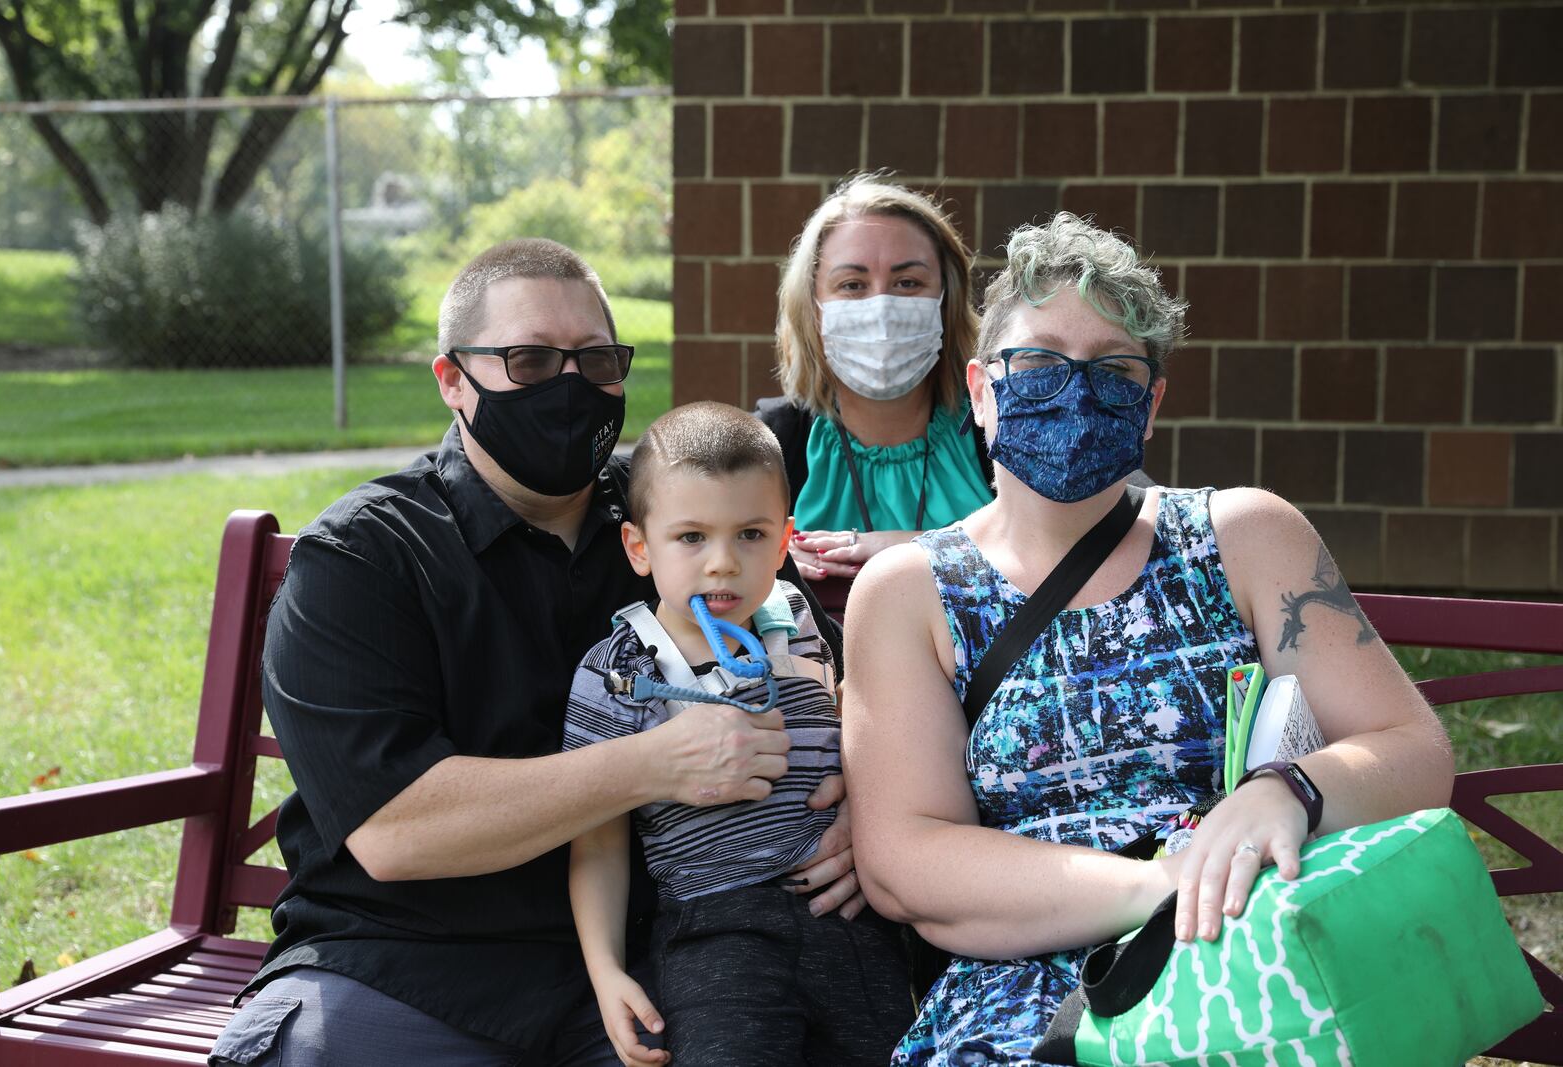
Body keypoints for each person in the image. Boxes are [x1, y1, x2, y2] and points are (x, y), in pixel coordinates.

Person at [209, 239, 860, 1066]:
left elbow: (835, 677)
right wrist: (653, 763)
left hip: (655, 966)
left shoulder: (683, 520)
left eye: (595, 360)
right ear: (453, 380)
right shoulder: (364, 558)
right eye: (529, 359)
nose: (570, 386)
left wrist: (860, 806)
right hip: (402, 964)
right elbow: (397, 828)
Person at [839, 213, 1455, 1063]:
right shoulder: (910, 591)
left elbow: (1415, 751)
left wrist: (1291, 791)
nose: (1076, 390)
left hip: (1255, 964)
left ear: (1152, 402)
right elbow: (907, 861)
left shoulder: (1244, 536)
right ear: (982, 389)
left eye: (1115, 370)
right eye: (1041, 361)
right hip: (1029, 1003)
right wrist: (1160, 885)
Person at [564, 401, 912, 1067]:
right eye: (691, 537)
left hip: (846, 920)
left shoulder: (802, 625)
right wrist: (606, 973)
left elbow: (856, 731)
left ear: (784, 542)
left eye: (749, 535)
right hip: (716, 934)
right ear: (640, 547)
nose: (722, 563)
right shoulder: (619, 672)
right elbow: (598, 845)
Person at [755, 175, 995, 587]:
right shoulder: (771, 444)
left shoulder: (998, 431)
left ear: (946, 301)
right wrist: (757, 552)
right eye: (852, 285)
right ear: (813, 309)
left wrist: (917, 550)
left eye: (908, 283)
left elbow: (1056, 548)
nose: (882, 306)